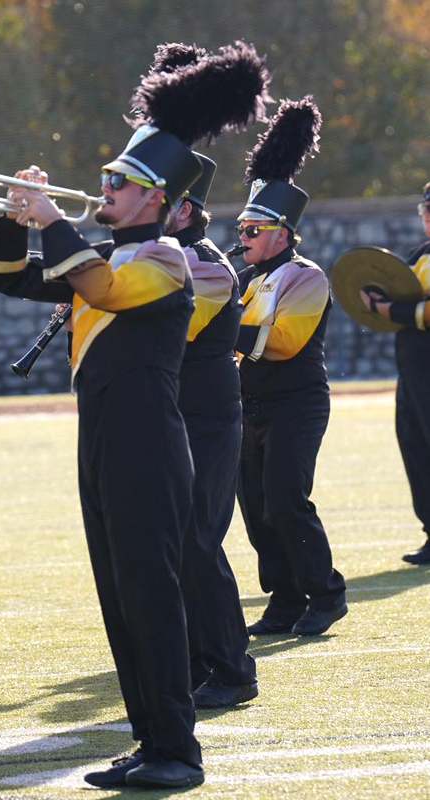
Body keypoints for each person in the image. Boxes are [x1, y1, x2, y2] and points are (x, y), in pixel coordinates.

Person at [0, 43, 270, 788]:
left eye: (118, 182)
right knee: (120, 602)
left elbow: (103, 289)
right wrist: (17, 218)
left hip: (147, 443)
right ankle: (150, 739)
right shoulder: (100, 251)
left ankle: (178, 749)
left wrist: (53, 223)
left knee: (152, 598)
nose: (101, 188)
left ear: (157, 202)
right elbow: (5, 279)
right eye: (105, 179)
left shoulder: (166, 258)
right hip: (102, 439)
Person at [234, 98, 347, 637]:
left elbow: (280, 343)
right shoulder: (246, 279)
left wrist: (213, 324)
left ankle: (326, 594)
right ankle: (284, 600)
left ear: (282, 232)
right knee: (256, 510)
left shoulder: (306, 277)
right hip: (249, 405)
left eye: (253, 230)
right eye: (241, 228)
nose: (243, 238)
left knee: (285, 501)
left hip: (296, 403)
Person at [164, 153, 256, 708]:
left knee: (199, 540)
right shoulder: (169, 258)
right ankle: (201, 659)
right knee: (178, 543)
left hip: (209, 417)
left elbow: (163, 323)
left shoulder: (207, 266)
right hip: (179, 414)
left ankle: (233, 668)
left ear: (187, 210)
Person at [360, 181, 430, 566]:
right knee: (415, 446)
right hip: (414, 368)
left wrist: (389, 311)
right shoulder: (420, 253)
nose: (428, 218)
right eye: (425, 211)